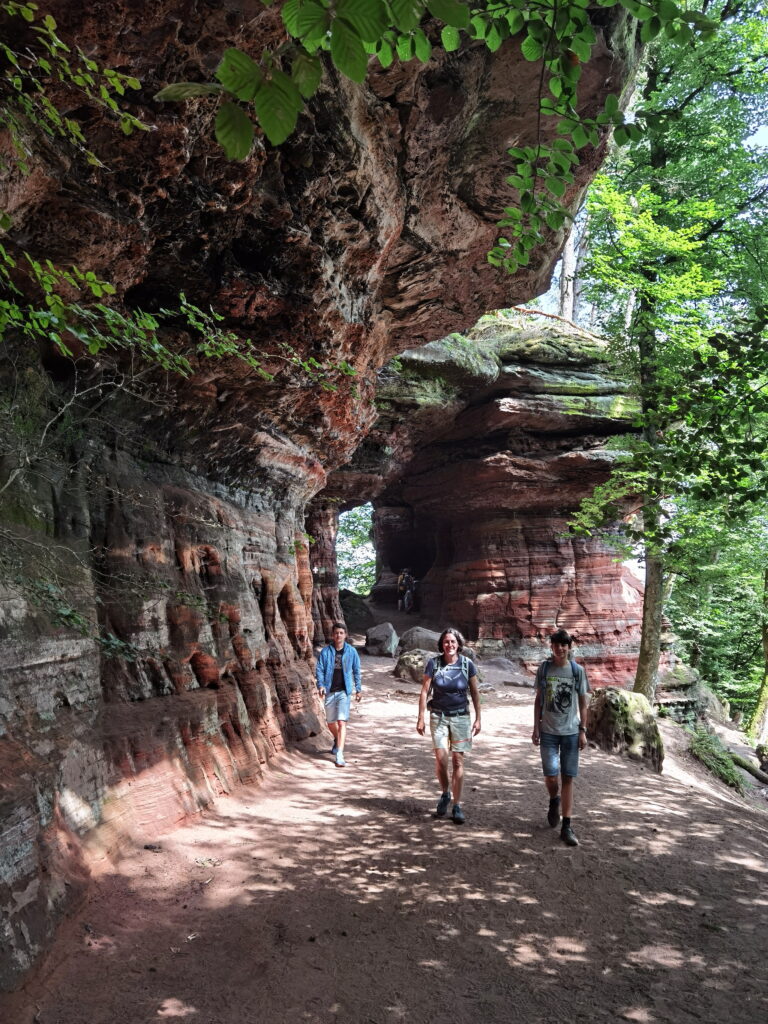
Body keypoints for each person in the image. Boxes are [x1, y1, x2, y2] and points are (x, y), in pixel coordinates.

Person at [417, 627, 481, 825]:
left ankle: (457, 804)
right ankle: (445, 793)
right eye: (446, 642)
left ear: (458, 644)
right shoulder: (433, 664)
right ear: (441, 644)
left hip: (461, 717)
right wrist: (420, 717)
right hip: (438, 716)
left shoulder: (467, 664)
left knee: (458, 762)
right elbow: (424, 691)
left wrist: (479, 718)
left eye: (453, 642)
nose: (449, 645)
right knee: (441, 760)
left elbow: (475, 692)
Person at [531, 628, 590, 847]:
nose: (560, 649)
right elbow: (538, 699)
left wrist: (583, 730)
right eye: (556, 645)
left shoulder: (577, 671)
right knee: (550, 776)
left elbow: (583, 703)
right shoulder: (544, 669)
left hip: (571, 733)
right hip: (547, 731)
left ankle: (567, 825)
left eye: (564, 645)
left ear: (569, 647)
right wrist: (535, 727)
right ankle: (553, 799)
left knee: (568, 777)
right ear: (552, 647)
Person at [316, 622, 362, 767]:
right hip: (330, 691)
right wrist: (321, 685)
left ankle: (340, 754)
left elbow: (356, 671)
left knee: (342, 721)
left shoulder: (351, 652)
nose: (339, 635)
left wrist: (358, 689)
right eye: (336, 633)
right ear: (332, 635)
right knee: (330, 723)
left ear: (345, 635)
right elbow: (320, 670)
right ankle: (337, 739)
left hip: (344, 691)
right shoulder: (325, 652)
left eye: (341, 633)